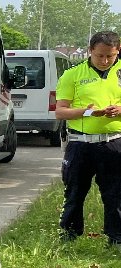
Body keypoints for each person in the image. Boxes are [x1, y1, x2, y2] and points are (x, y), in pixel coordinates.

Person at [55, 31, 121, 249]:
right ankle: (69, 236)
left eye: (110, 56)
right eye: (100, 55)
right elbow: (60, 112)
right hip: (80, 144)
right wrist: (85, 112)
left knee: (115, 193)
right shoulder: (72, 75)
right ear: (90, 50)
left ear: (117, 51)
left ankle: (116, 238)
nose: (105, 61)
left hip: (113, 143)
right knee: (74, 191)